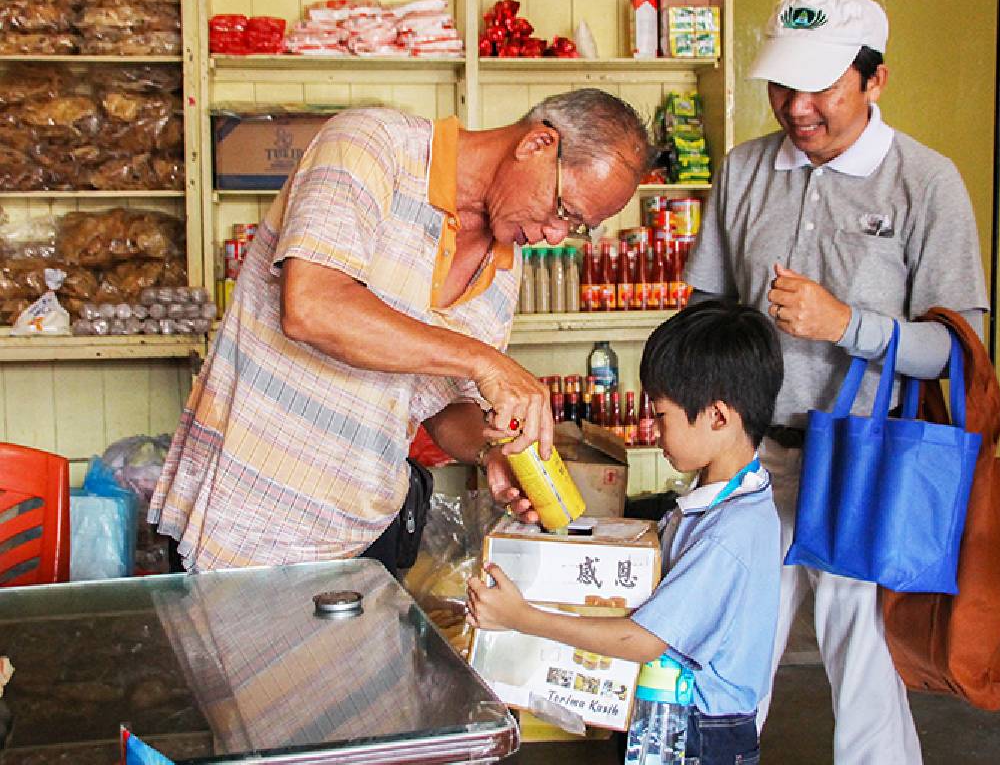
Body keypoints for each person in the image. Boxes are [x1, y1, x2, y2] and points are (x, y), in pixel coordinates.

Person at [149, 89, 651, 573]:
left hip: (361, 532)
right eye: (565, 211)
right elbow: (311, 305)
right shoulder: (373, 146)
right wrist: (485, 360)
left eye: (578, 229)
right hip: (245, 519)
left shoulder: (504, 268)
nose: (556, 236)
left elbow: (442, 404)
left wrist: (489, 450)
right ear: (536, 144)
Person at [683, 0, 990, 765]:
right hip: (752, 456)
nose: (797, 106)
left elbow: (957, 349)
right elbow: (707, 307)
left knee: (864, 659)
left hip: (865, 458)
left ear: (875, 80)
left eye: (822, 85)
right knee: (724, 647)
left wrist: (846, 325)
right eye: (784, 84)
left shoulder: (926, 182)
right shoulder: (746, 170)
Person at [466, 300, 785, 765]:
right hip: (671, 713)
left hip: (701, 736)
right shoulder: (720, 500)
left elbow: (644, 640)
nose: (653, 431)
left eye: (662, 416)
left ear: (718, 416)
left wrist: (522, 616)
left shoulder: (731, 531)